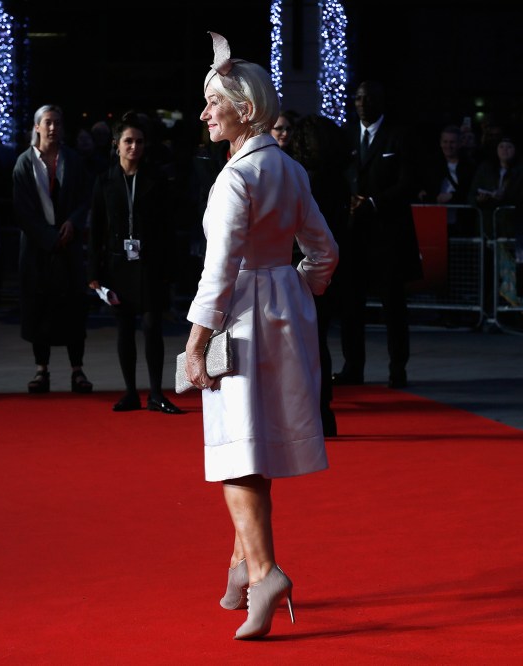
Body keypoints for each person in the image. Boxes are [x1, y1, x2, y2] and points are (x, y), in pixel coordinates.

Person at [182, 33, 338, 640]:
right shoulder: (292, 169)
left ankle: (267, 572)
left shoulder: (233, 181)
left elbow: (217, 273)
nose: (203, 113)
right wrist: (297, 288)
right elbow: (324, 253)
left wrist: (195, 344)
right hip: (284, 314)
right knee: (255, 448)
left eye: (212, 101)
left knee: (235, 454)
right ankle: (241, 565)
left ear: (244, 109)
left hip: (243, 316)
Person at [88, 111, 181, 414]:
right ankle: (130, 392)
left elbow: (169, 227)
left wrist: (169, 269)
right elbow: (96, 229)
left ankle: (155, 393)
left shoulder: (157, 180)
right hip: (117, 266)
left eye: (139, 142)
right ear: (116, 144)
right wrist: (94, 272)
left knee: (153, 327)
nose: (134, 147)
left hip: (150, 264)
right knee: (124, 329)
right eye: (128, 141)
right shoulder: (104, 181)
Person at [334, 80, 422, 389]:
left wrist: (373, 202)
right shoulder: (345, 137)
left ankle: (398, 369)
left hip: (390, 236)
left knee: (393, 308)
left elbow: (409, 181)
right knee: (350, 306)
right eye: (357, 97)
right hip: (353, 237)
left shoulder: (400, 135)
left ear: (380, 101)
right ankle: (352, 367)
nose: (361, 103)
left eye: (368, 97)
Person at [13, 104, 94, 394]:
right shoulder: (24, 162)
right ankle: (41, 371)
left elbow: (85, 197)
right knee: (39, 307)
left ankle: (77, 371)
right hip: (37, 248)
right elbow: (22, 209)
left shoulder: (73, 160)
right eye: (47, 122)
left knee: (73, 306)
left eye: (57, 122)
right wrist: (48, 237)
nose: (52, 128)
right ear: (36, 127)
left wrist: (73, 222)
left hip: (69, 245)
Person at [289, 113, 352, 437]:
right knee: (318, 344)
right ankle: (322, 411)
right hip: (330, 270)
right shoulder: (337, 178)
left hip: (308, 270)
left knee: (306, 346)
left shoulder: (305, 180)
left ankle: (312, 412)